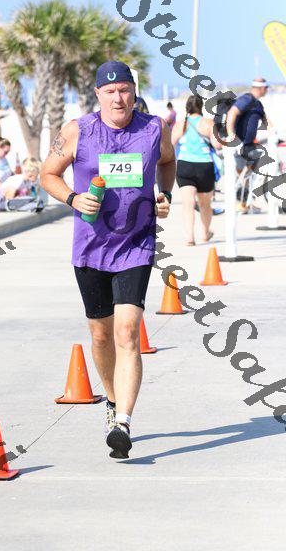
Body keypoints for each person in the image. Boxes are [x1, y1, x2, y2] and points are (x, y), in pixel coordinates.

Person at [41, 60, 175, 459]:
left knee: (127, 332)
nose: (119, 98)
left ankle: (124, 423)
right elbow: (48, 174)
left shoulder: (155, 129)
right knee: (101, 335)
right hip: (90, 247)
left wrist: (164, 194)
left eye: (125, 90)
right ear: (98, 94)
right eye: (110, 91)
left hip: (136, 243)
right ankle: (113, 403)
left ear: (134, 91)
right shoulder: (77, 131)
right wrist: (72, 198)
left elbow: (168, 162)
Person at [172, 94, 222, 246]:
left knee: (188, 204)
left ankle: (190, 238)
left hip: (185, 165)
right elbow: (217, 145)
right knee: (205, 205)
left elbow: (172, 143)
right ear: (201, 107)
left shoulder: (180, 124)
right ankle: (205, 234)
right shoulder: (208, 123)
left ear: (187, 107)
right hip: (204, 166)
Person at [226, 77, 269, 213]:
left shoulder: (258, 104)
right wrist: (231, 135)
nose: (267, 90)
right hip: (239, 144)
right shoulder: (247, 99)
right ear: (261, 88)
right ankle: (236, 203)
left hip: (249, 145)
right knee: (238, 174)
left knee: (250, 174)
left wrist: (275, 135)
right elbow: (232, 113)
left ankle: (245, 203)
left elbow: (267, 122)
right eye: (266, 88)